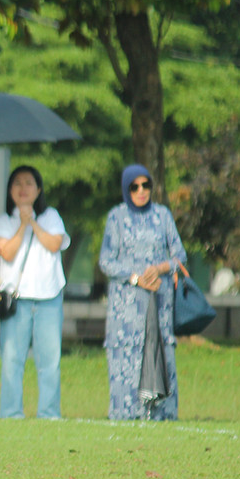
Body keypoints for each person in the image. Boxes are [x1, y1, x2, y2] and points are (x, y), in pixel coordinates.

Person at [99, 163, 187, 420]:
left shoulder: (163, 215)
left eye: (145, 185)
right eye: (134, 187)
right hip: (126, 304)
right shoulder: (116, 217)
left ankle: (161, 413)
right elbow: (106, 261)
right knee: (126, 355)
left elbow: (180, 256)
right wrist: (136, 278)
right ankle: (126, 413)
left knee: (161, 351)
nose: (141, 191)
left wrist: (160, 268)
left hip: (159, 300)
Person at [0, 165, 70, 419]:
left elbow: (55, 244)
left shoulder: (51, 216)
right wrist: (21, 225)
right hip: (17, 300)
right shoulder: (4, 221)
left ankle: (49, 413)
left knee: (49, 361)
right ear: (10, 190)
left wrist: (32, 222)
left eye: (28, 183)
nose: (23, 188)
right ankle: (11, 412)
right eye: (17, 183)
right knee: (12, 360)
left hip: (49, 298)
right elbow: (7, 252)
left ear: (38, 190)